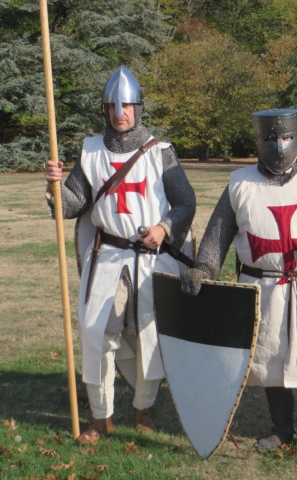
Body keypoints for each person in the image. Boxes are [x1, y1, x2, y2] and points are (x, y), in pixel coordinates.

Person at [180, 109, 297, 461]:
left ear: (296, 135)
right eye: (269, 138)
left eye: (284, 136)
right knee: (270, 360)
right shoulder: (239, 184)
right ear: (258, 139)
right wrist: (204, 268)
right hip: (261, 288)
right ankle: (282, 430)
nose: (278, 145)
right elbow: (217, 237)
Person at [44, 65, 196, 444]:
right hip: (107, 258)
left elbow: (185, 202)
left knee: (150, 334)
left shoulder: (161, 152)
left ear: (138, 108)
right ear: (105, 110)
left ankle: (143, 408)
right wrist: (53, 186)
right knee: (96, 334)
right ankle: (100, 417)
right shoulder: (91, 150)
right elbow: (73, 204)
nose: (120, 113)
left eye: (127, 106)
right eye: (113, 106)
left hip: (150, 259)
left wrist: (163, 228)